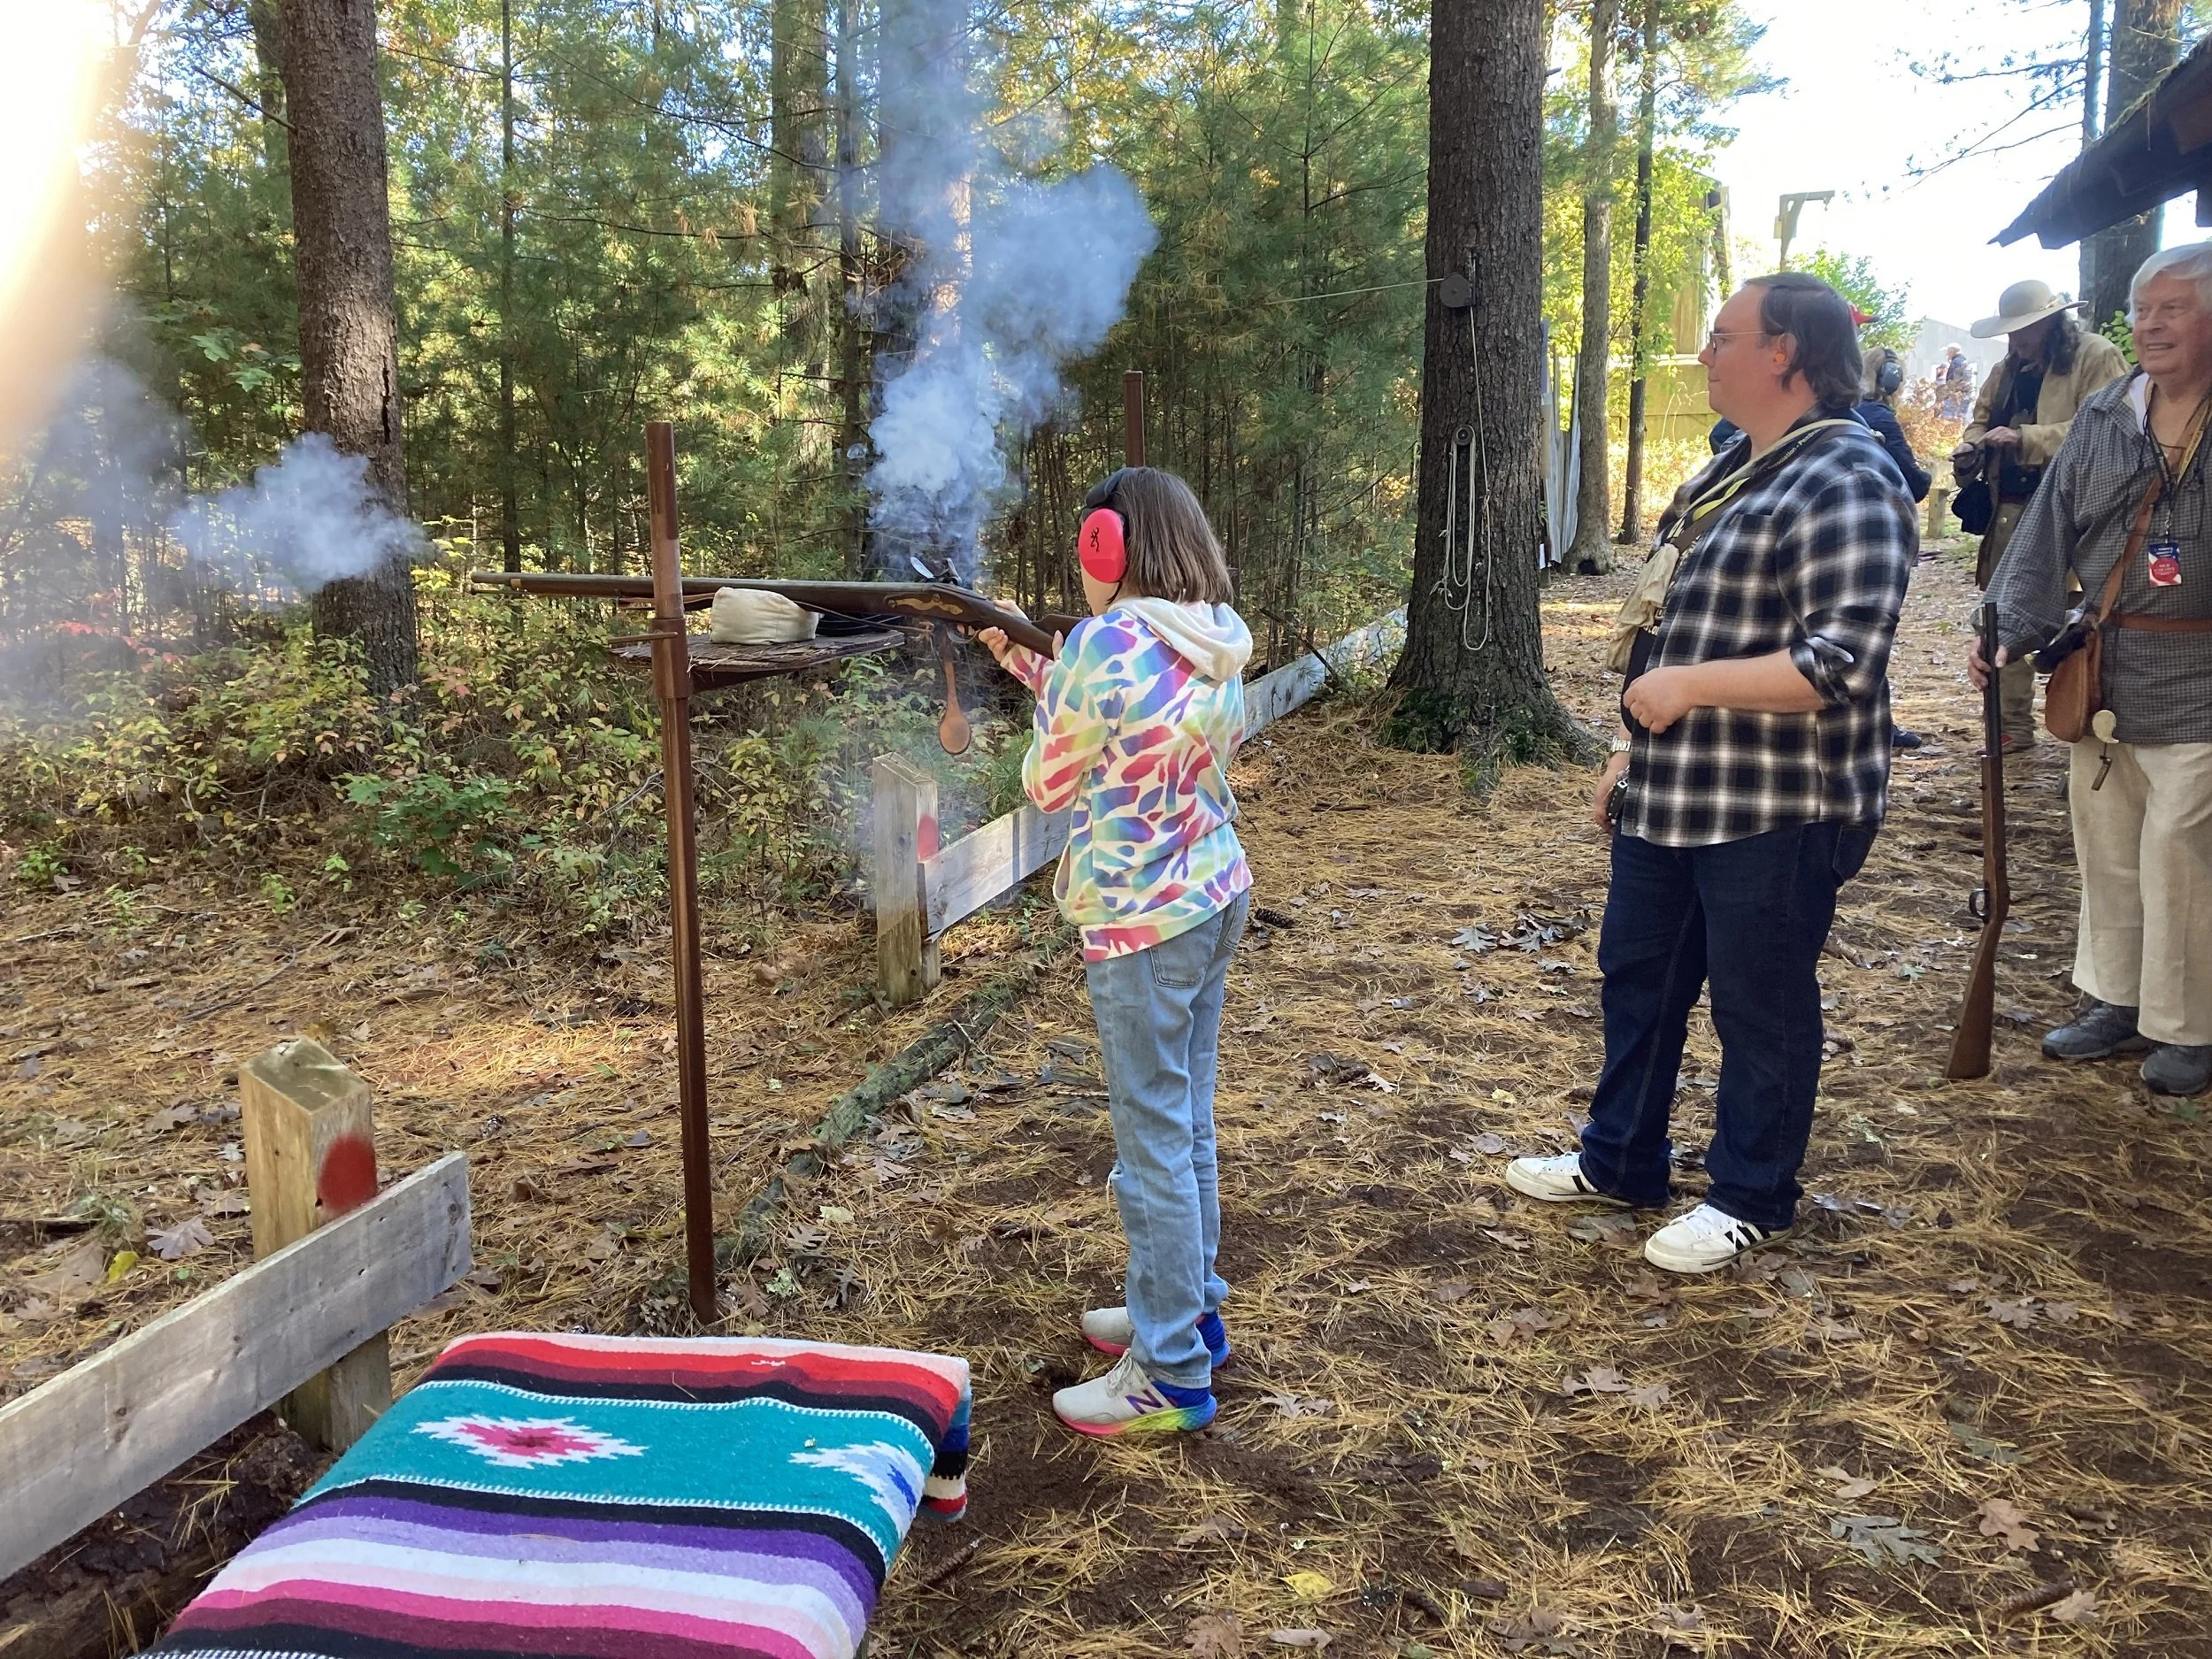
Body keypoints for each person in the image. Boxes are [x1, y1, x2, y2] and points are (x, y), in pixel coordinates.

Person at [1513, 273, 1915, 1273]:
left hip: (1779, 806)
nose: (1704, 352)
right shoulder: (1723, 472)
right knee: (1638, 984)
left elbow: (1843, 663)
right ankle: (1618, 1161)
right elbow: (1658, 628)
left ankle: (1750, 1196)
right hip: (1673, 791)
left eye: (1721, 336)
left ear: (1784, 353)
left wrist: (1692, 688)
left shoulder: (1848, 478)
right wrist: (1623, 750)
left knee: (1759, 1006)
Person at [976, 467, 1254, 1433]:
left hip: (1140, 922)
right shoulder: (1211, 629)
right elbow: (1132, 717)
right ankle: (1187, 1310)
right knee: (1186, 1124)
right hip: (1213, 891)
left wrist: (1045, 681)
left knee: (1150, 1146)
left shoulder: (1104, 644)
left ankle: (1170, 1372)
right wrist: (1026, 659)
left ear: (1107, 546)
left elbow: (1051, 782)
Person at [1969, 243, 2212, 1100]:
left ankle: (2186, 1025)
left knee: (2180, 853)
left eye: (2173, 308)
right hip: (2103, 673)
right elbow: (2046, 532)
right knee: (2107, 850)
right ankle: (2114, 998)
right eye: (2144, 309)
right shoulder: (2108, 415)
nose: (2151, 324)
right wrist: (2002, 629)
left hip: (2203, 682)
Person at [1954, 280, 2130, 751]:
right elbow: (1981, 417)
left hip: (2080, 512)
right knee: (2000, 615)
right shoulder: (2006, 368)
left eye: (2023, 330)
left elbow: (2109, 425)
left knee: (2081, 620)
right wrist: (1972, 443)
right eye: (2011, 333)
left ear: (2051, 321)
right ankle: (2010, 724)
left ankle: (2091, 727)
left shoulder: (2096, 356)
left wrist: (2027, 438)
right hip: (2009, 509)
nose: (2016, 341)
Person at [1861, 345, 1932, 749]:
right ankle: (1877, 727)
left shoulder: (1841, 413)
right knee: (1871, 634)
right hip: (1880, 537)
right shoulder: (1878, 417)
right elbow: (1916, 484)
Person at [1940, 343, 1974, 423]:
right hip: (1966, 395)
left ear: (1952, 351)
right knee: (1963, 419)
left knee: (1949, 418)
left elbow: (1951, 382)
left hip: (1957, 396)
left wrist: (1945, 394)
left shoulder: (1955, 363)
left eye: (1948, 351)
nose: (1946, 354)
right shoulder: (1964, 361)